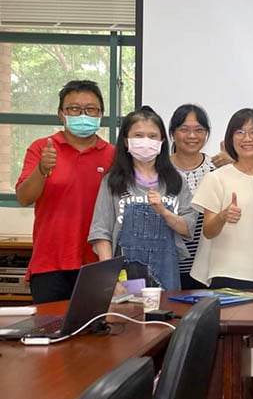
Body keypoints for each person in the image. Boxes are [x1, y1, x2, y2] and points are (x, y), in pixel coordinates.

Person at [15, 80, 115, 304]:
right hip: (50, 263)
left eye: (91, 109)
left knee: (98, 327)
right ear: (61, 114)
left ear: (101, 114)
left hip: (97, 263)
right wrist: (42, 169)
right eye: (74, 109)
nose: (83, 115)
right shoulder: (42, 148)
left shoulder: (113, 155)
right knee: (50, 325)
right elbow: (24, 198)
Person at [88, 106, 196, 291]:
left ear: (162, 141)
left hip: (167, 275)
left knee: (165, 311)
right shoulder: (113, 182)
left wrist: (164, 212)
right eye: (138, 136)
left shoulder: (176, 181)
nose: (146, 141)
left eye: (152, 136)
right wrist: (110, 278)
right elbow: (101, 233)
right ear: (126, 141)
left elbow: (187, 228)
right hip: (124, 276)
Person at [190, 108, 253, 289]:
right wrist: (222, 216)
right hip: (228, 275)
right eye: (240, 132)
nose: (247, 138)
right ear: (231, 138)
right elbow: (208, 231)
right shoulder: (217, 178)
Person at [168, 104, 233, 290]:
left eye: (199, 130)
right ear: (172, 133)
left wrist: (234, 166)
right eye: (184, 129)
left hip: (208, 266)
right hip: (169, 264)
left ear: (206, 134)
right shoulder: (159, 170)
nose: (192, 136)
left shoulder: (216, 169)